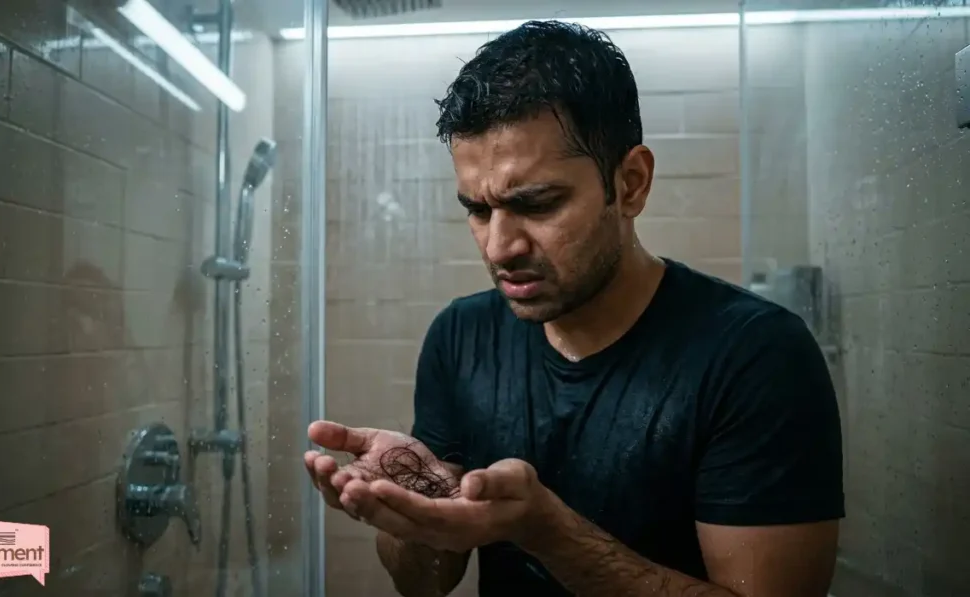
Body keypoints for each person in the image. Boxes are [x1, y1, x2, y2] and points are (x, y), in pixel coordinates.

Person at [303, 20, 844, 597]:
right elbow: (424, 582)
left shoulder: (755, 356)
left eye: (536, 204)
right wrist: (414, 510)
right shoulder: (460, 336)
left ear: (630, 183)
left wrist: (547, 531)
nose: (499, 247)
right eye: (478, 210)